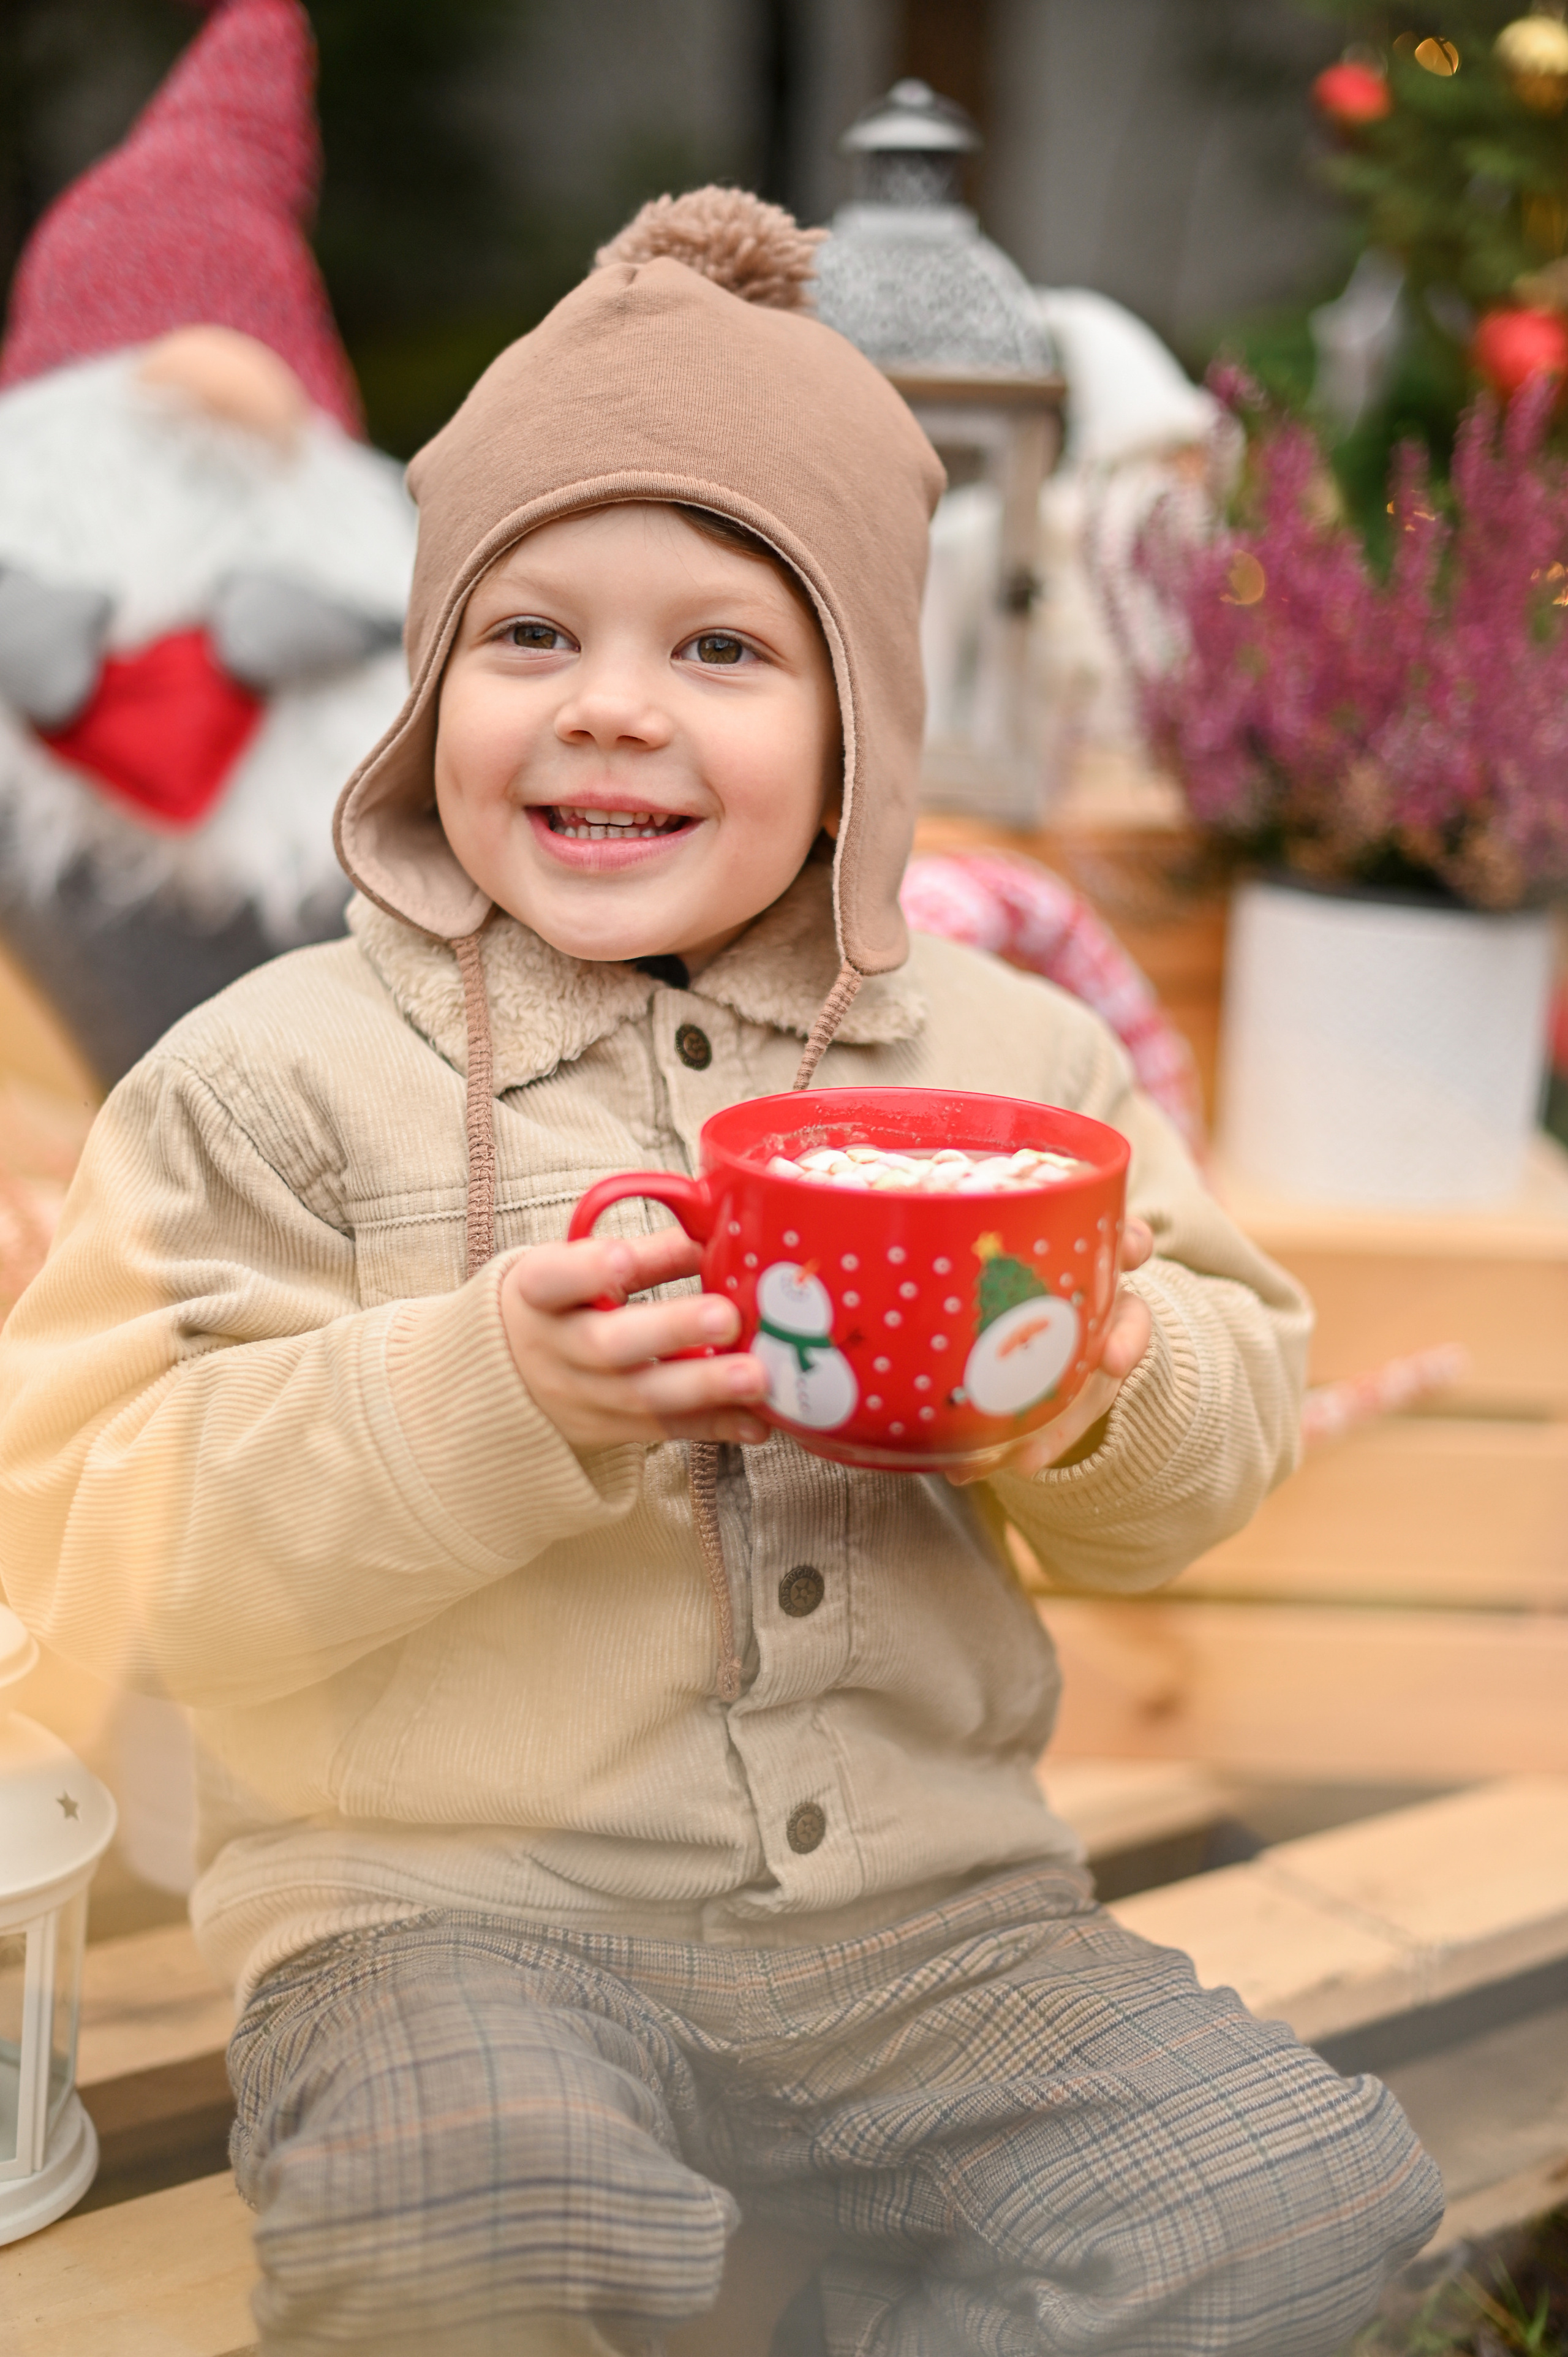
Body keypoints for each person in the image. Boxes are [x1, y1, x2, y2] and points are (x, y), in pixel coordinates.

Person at [0, 189, 1440, 2357]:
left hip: (941, 1934)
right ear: (427, 684)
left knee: (1300, 2201)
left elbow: (1202, 1462)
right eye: (530, 636)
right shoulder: (272, 1078)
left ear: (864, 713)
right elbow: (94, 1543)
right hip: (445, 1920)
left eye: (722, 651)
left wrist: (1102, 1381)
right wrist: (491, 1394)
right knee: (465, 2213)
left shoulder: (1009, 1065)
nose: (610, 710)